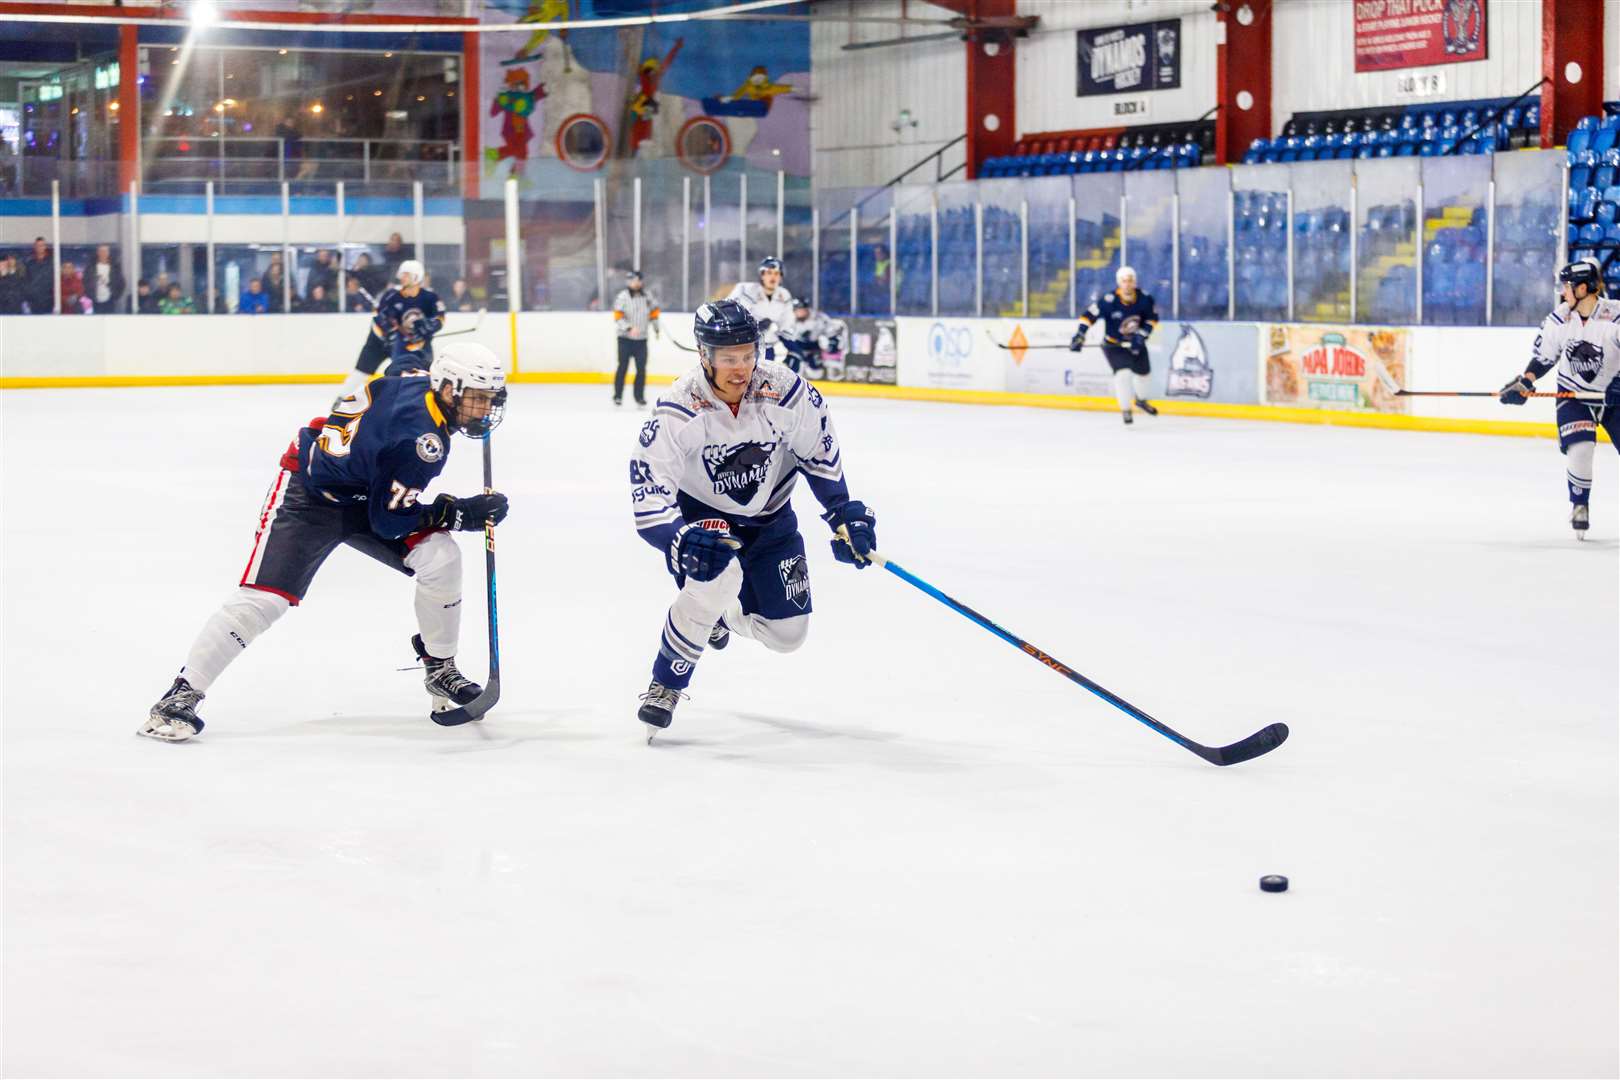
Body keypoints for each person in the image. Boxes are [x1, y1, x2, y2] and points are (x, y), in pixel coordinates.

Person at [139, 343, 512, 742]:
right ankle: (179, 696)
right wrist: (454, 513)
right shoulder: (419, 443)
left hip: (368, 491)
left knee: (440, 558)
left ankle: (440, 669)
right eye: (478, 398)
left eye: (490, 398)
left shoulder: (418, 385)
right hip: (310, 496)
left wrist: (409, 347)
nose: (485, 408)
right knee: (265, 598)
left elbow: (401, 366)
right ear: (449, 389)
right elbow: (388, 522)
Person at [628, 300, 877, 733]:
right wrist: (680, 539)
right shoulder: (679, 407)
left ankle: (726, 616)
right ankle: (665, 682)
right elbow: (650, 497)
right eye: (728, 358)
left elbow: (818, 453)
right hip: (706, 520)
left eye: (747, 354)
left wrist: (843, 513)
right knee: (715, 582)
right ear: (704, 356)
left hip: (773, 520)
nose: (741, 368)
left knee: (788, 636)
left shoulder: (785, 389)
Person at [1498, 257, 1620, 539]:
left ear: (1583, 288)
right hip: (1573, 395)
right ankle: (1580, 505)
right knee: (1581, 448)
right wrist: (1526, 381)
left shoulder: (1614, 315)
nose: (1563, 292)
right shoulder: (1558, 319)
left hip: (1613, 396)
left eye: (1567, 286)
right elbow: (1544, 358)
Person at [333, 259, 445, 405]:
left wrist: (426, 329)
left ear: (417, 277)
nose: (402, 277)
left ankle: (423, 402)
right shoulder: (391, 295)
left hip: (409, 345)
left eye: (406, 274)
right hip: (379, 342)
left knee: (420, 371)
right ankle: (342, 398)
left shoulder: (430, 298)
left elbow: (439, 319)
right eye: (402, 274)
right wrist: (389, 332)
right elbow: (380, 317)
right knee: (362, 369)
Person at [1071, 264, 1160, 425]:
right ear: (1119, 282)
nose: (1128, 284)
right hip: (1114, 346)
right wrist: (1080, 334)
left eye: (1130, 280)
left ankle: (1140, 400)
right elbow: (1088, 316)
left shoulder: (1145, 299)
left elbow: (1152, 320)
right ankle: (1126, 409)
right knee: (1123, 374)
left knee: (1144, 375)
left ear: (1135, 282)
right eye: (1124, 281)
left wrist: (1141, 335)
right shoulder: (1108, 301)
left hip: (1136, 343)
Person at [725, 256, 795, 363]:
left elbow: (787, 323)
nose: (773, 277)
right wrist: (754, 326)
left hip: (768, 349)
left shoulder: (784, 295)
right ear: (762, 275)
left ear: (781, 277)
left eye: (777, 273)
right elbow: (730, 314)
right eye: (769, 273)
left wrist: (793, 350)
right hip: (746, 346)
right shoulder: (747, 290)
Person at [611, 268, 661, 407]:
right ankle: (618, 396)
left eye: (637, 280)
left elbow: (654, 312)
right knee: (623, 367)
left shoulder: (648, 296)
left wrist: (656, 327)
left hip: (641, 340)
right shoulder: (622, 296)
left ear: (641, 281)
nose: (635, 283)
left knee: (641, 369)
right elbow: (617, 316)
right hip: (625, 339)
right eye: (631, 280)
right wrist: (628, 328)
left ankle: (639, 397)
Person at [780, 298, 847, 377]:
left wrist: (827, 344)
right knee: (791, 367)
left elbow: (832, 335)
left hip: (816, 349)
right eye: (796, 310)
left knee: (816, 373)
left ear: (806, 308)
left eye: (801, 309)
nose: (799, 312)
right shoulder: (789, 320)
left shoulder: (820, 318)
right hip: (797, 349)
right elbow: (784, 337)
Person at [87, 244, 125, 313]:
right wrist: (89, 294)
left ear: (108, 253)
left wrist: (116, 295)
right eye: (101, 251)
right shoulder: (91, 267)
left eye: (105, 251)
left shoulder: (115, 267)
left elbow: (121, 282)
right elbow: (85, 281)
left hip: (110, 300)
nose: (103, 253)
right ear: (98, 252)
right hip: (96, 300)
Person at [22, 237, 53, 314]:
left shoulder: (52, 262)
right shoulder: (29, 263)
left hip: (48, 300)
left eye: (42, 245)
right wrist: (29, 297)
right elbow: (26, 281)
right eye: (38, 245)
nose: (40, 247)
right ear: (35, 247)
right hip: (34, 301)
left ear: (45, 247)